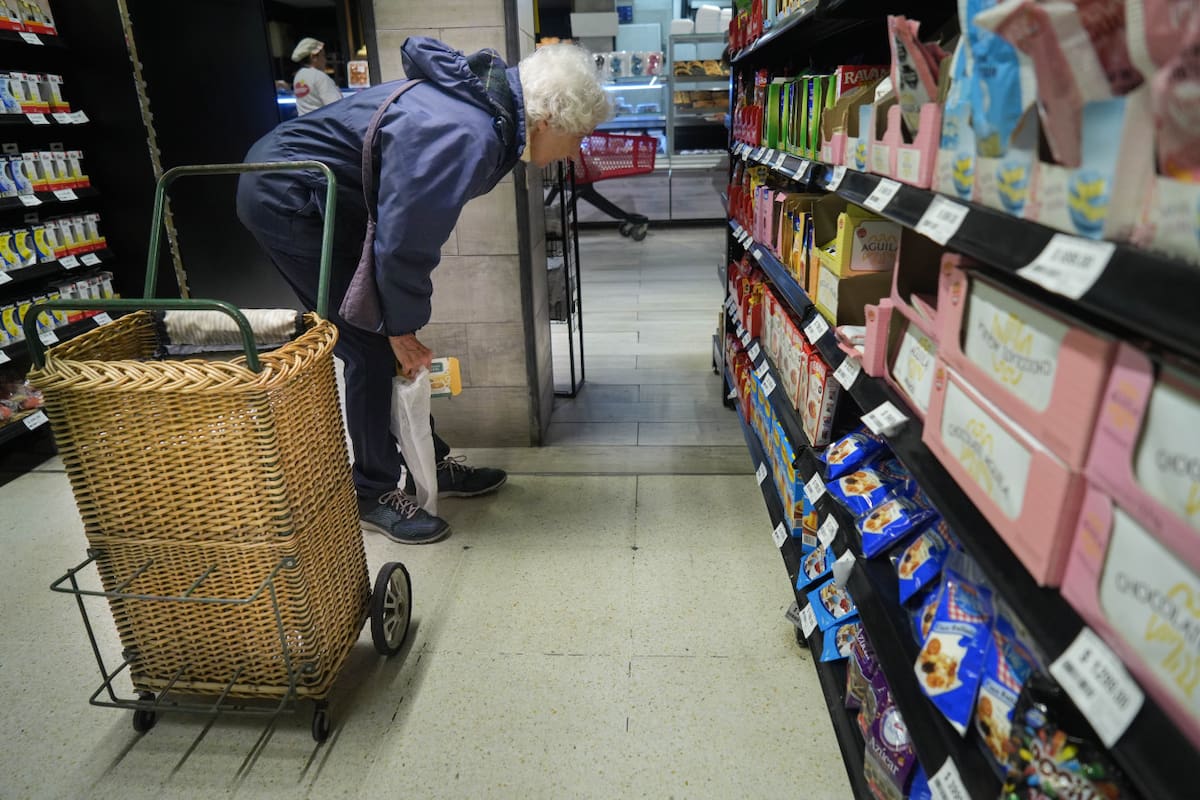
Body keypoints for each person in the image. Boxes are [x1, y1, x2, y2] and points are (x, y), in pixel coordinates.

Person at [236, 38, 610, 545]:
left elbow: (402, 228)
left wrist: (402, 324)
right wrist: (400, 326)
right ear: (550, 120)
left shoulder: (484, 113)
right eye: (579, 137)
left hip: (325, 192)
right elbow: (406, 237)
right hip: (287, 193)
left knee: (389, 338)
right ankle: (372, 490)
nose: (575, 153)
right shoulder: (466, 131)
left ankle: (426, 462)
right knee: (368, 342)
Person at [291, 37, 342, 115]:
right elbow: (337, 107)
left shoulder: (298, 76)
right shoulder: (319, 76)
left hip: (305, 125)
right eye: (323, 56)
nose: (325, 60)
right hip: (323, 125)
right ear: (313, 57)